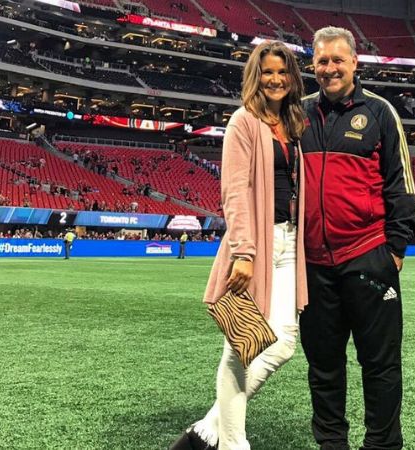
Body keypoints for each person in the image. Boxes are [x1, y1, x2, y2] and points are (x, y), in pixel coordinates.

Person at [169, 40, 308, 450]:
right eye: (268, 71)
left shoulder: (294, 122)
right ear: (256, 75)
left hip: (291, 241)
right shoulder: (243, 122)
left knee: (281, 343)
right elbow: (234, 191)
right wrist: (244, 252)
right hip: (256, 244)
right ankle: (233, 443)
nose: (276, 79)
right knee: (240, 348)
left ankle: (206, 431)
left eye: (283, 71)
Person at [299, 27, 415, 450]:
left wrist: (395, 251)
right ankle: (332, 445)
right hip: (313, 266)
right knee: (323, 367)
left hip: (368, 256)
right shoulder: (299, 114)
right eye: (322, 61)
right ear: (312, 65)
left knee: (380, 366)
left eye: (337, 60)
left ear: (354, 63)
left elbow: (401, 183)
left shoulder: (381, 112)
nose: (329, 68)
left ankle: (382, 446)